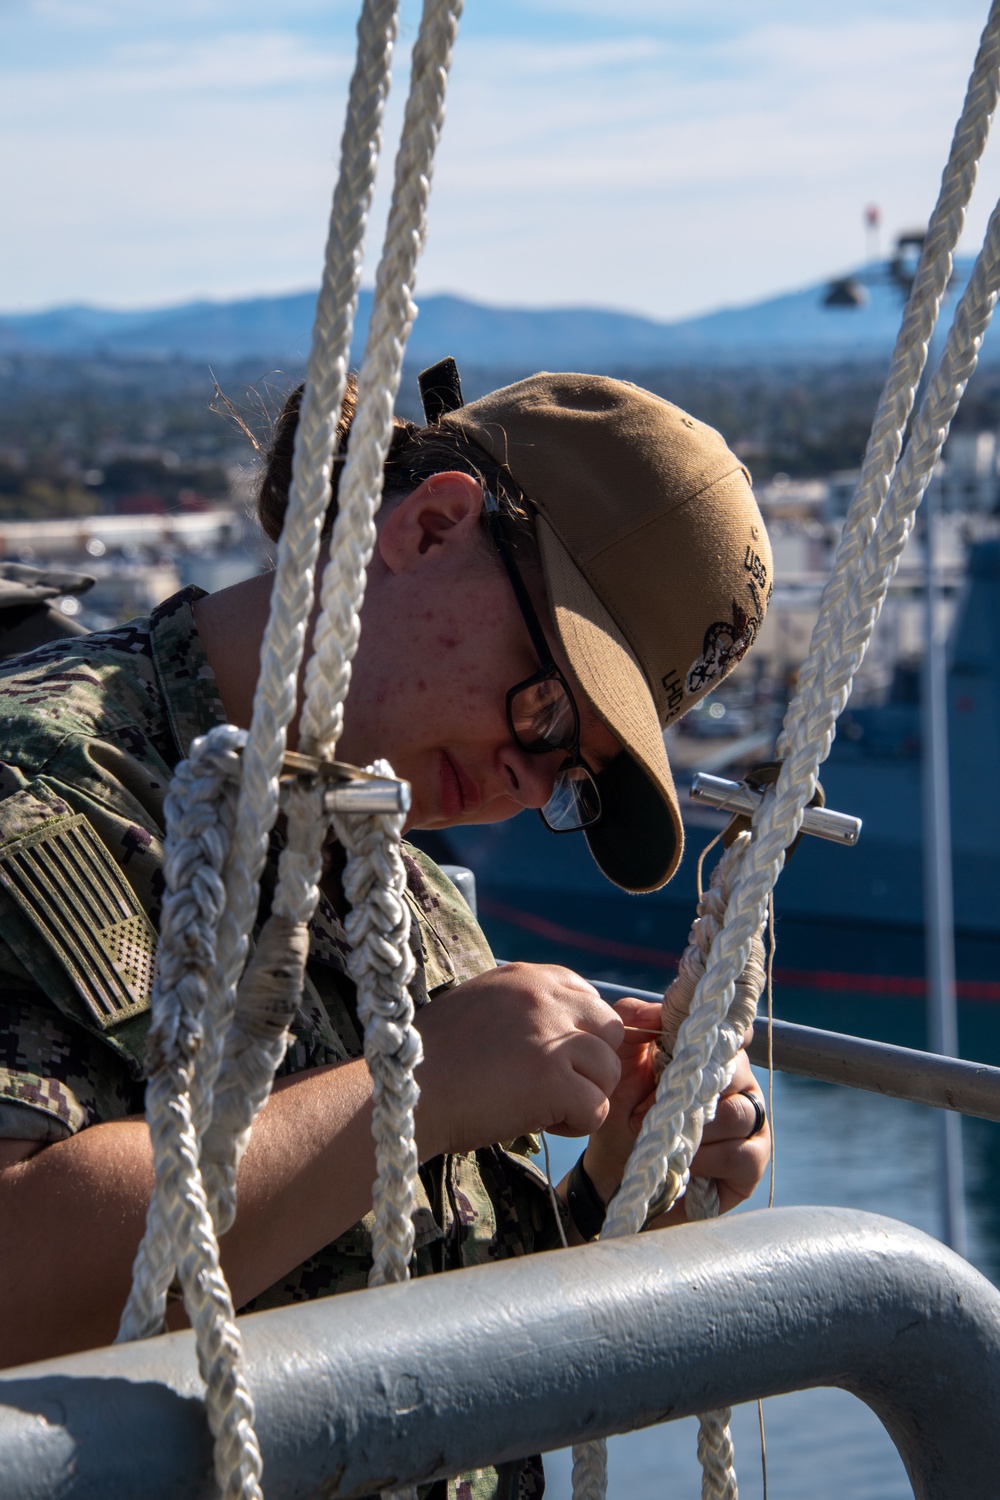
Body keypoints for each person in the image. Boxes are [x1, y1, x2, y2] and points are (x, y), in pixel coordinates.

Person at [0, 367, 772, 1496]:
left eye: (571, 776)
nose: (521, 780)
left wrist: (618, 1183)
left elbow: (402, 1320)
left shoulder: (409, 892)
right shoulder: (44, 795)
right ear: (431, 526)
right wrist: (425, 1087)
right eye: (545, 704)